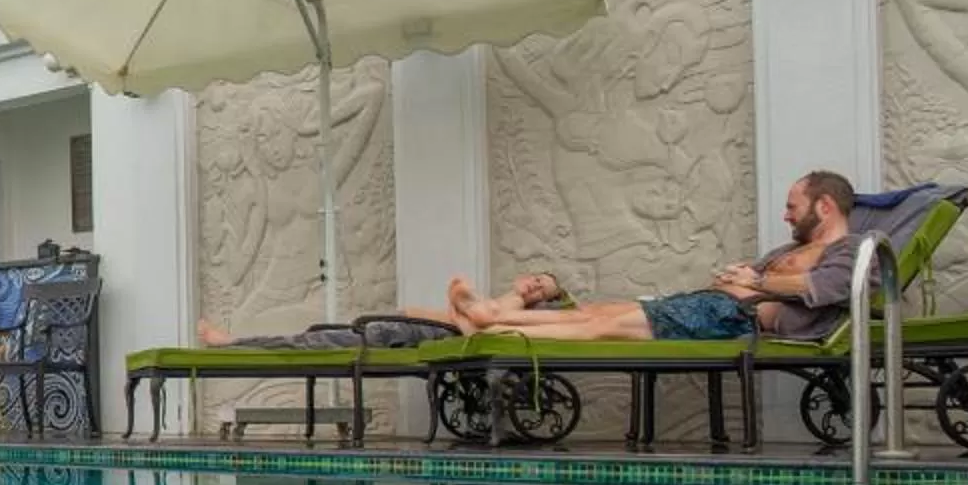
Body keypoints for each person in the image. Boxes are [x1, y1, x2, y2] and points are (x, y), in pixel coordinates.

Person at [450, 171, 861, 345]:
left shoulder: (855, 252)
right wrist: (745, 275)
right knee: (595, 311)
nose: (786, 214)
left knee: (599, 328)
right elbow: (765, 278)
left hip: (731, 317)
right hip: (710, 305)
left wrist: (753, 281)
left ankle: (489, 330)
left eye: (793, 206)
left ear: (824, 206)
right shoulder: (791, 250)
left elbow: (819, 288)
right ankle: (491, 316)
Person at [194, 272, 570, 350]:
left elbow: (475, 333)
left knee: (316, 340)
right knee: (317, 335)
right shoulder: (507, 301)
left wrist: (458, 311)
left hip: (413, 333)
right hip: (402, 327)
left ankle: (231, 343)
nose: (535, 285)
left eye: (543, 289)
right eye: (537, 278)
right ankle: (233, 341)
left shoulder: (515, 308)